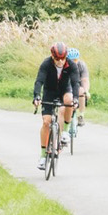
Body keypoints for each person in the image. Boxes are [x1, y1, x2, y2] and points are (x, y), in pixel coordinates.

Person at [31, 43, 79, 172]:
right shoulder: (46, 64)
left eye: (62, 58)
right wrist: (37, 96)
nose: (60, 61)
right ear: (52, 57)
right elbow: (39, 81)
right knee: (46, 122)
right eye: (57, 59)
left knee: (68, 100)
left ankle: (65, 131)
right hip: (49, 92)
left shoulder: (71, 65)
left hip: (65, 90)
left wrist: (75, 99)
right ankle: (42, 156)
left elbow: (75, 83)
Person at [67, 48, 90, 136]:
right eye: (71, 60)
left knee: (81, 91)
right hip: (66, 85)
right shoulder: (64, 65)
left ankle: (81, 115)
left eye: (75, 60)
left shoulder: (81, 65)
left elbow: (85, 80)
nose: (74, 62)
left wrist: (86, 91)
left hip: (78, 85)